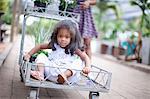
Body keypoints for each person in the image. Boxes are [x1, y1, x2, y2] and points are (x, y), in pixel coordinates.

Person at [24, 20, 91, 84]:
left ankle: (64, 75)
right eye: (60, 36)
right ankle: (40, 74)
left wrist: (87, 67)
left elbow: (85, 57)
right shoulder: (55, 45)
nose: (63, 39)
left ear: (72, 38)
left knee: (79, 62)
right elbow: (40, 46)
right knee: (41, 55)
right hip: (50, 73)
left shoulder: (74, 49)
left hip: (67, 77)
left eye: (67, 37)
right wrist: (29, 54)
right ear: (56, 36)